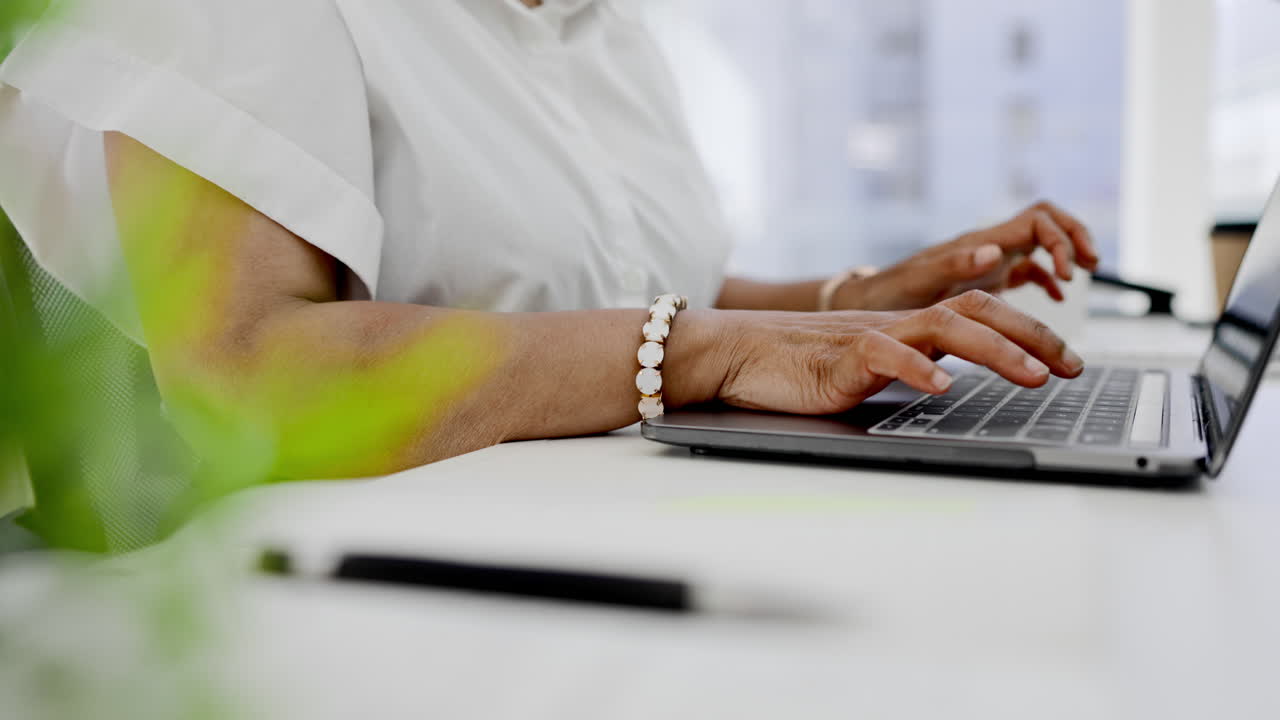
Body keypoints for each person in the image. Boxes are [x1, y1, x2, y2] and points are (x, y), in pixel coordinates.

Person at [0, 0, 1097, 480]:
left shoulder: (606, 32)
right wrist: (710, 350)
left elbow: (634, 293)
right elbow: (244, 374)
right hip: (379, 608)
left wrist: (842, 303)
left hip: (630, 519)